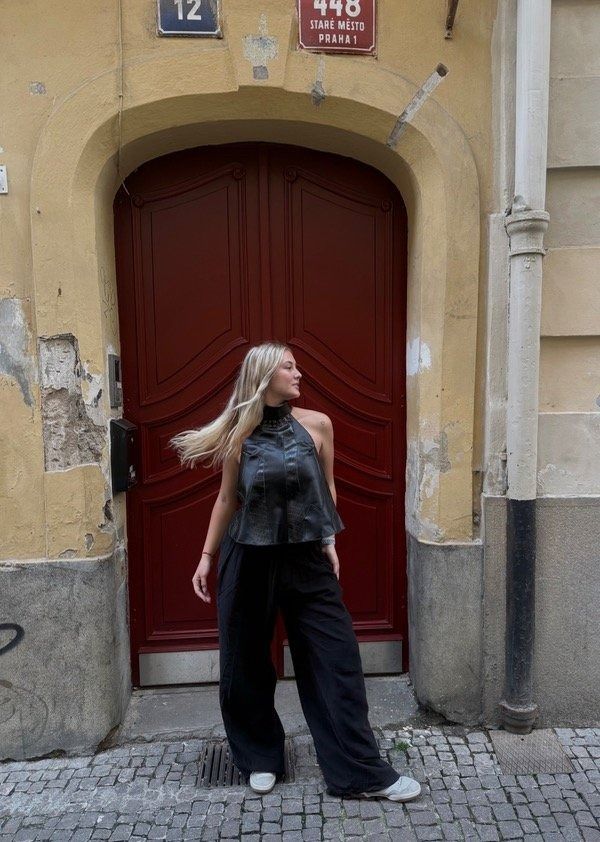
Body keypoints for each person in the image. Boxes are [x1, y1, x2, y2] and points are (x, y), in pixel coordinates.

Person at [169, 342, 421, 802]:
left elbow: (328, 490)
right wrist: (206, 557)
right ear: (265, 377)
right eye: (289, 366)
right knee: (244, 663)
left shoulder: (318, 425)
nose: (298, 373)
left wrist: (328, 541)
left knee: (336, 661)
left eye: (296, 365)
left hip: (306, 558)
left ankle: (358, 773)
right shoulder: (239, 434)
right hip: (248, 558)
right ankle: (260, 758)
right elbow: (226, 499)